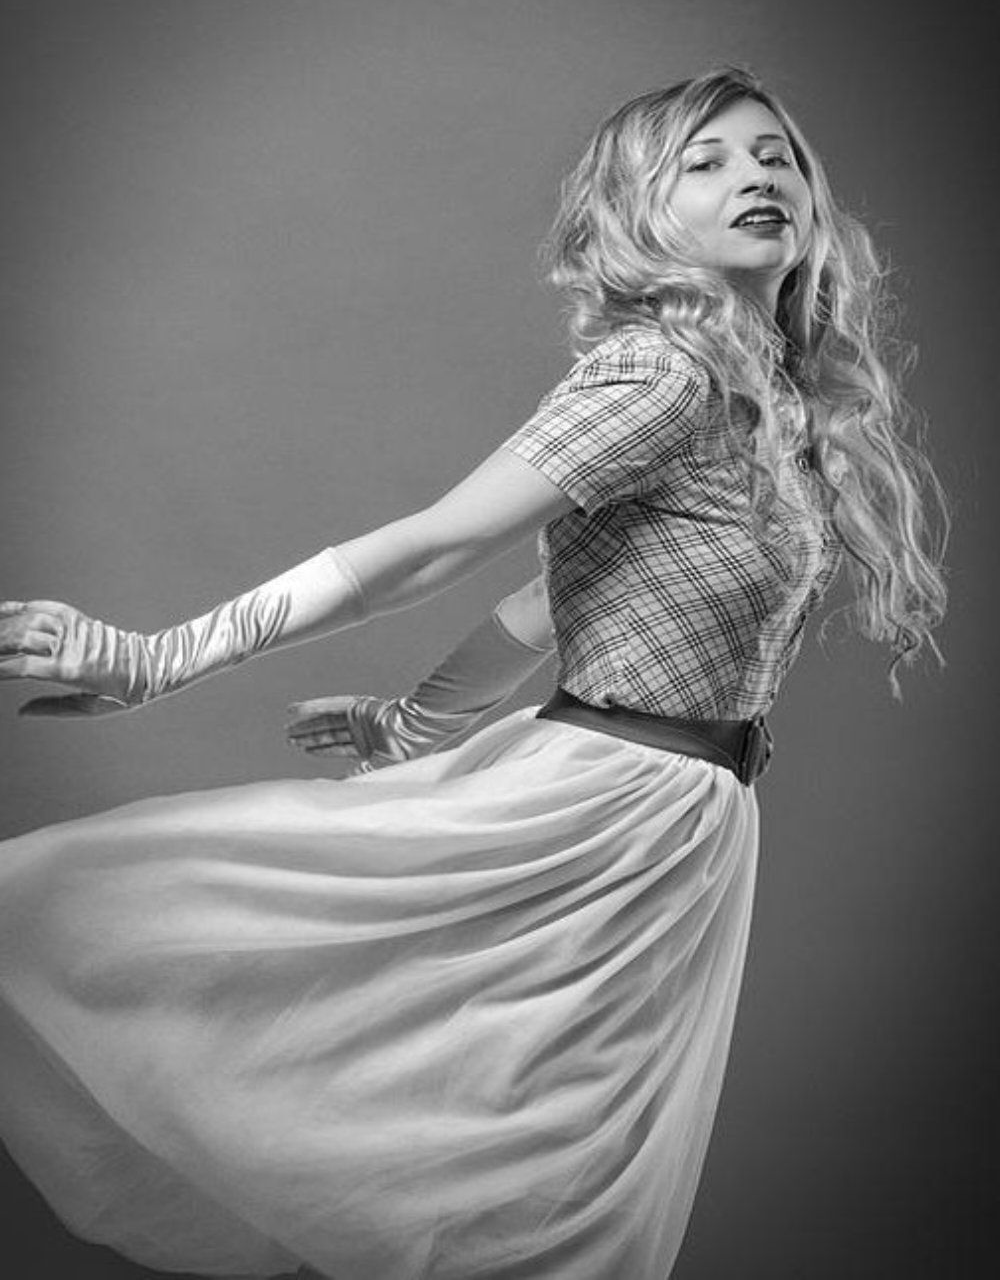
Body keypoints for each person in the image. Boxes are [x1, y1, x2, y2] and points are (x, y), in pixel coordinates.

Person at [0, 67, 946, 1280]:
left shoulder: (771, 405)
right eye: (703, 162)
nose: (754, 176)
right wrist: (156, 659)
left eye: (774, 155)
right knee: (512, 1194)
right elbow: (435, 545)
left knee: (555, 1203)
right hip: (594, 814)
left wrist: (412, 724)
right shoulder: (663, 376)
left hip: (683, 840)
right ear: (640, 215)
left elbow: (558, 597)